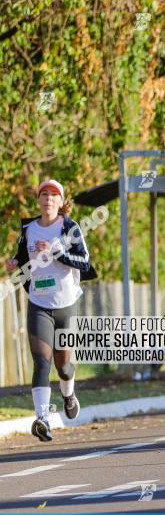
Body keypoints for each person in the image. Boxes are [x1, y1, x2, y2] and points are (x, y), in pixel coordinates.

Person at [5, 180, 97, 441]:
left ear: (60, 202)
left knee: (64, 366)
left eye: (53, 195)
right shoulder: (30, 228)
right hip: (39, 302)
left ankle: (68, 394)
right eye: (44, 194)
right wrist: (15, 261)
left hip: (66, 304)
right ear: (38, 200)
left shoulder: (69, 228)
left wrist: (57, 253)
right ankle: (42, 419)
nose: (48, 199)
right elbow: (24, 256)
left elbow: (85, 262)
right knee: (41, 362)